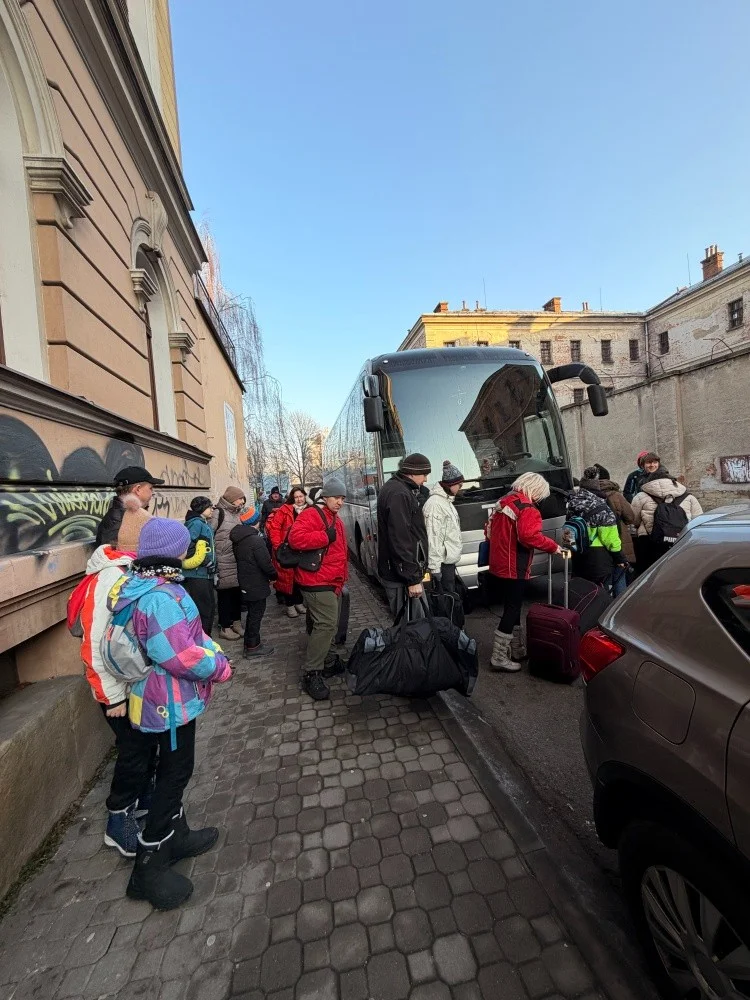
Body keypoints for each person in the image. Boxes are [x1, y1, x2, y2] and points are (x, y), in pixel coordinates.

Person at [107, 518, 232, 909]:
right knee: (174, 772)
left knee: (171, 770)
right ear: (173, 550)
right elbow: (180, 655)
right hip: (168, 702)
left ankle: (177, 836)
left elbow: (188, 637)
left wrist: (209, 648)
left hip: (159, 698)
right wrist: (219, 666)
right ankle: (148, 868)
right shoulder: (160, 596)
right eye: (183, 545)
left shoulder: (143, 582)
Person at [67, 543, 155, 858]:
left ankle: (142, 799)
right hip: (117, 691)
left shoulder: (127, 570)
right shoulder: (109, 578)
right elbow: (93, 646)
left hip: (131, 684)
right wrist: (113, 697)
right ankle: (118, 820)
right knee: (133, 750)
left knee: (144, 745)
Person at [487, 472, 563, 672]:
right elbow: (529, 536)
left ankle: (517, 649)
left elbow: (488, 531)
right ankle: (499, 657)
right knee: (512, 608)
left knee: (512, 605)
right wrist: (553, 546)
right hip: (514, 565)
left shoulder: (504, 501)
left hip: (499, 563)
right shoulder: (527, 508)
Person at [288, 478, 348, 701]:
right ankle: (312, 672)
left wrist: (341, 578)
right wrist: (324, 537)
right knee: (326, 623)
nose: (340, 502)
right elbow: (295, 539)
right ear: (325, 497)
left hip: (330, 579)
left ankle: (329, 661)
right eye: (336, 497)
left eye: (342, 498)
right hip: (316, 580)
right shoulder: (313, 514)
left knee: (323, 622)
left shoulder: (333, 517)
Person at [377, 453, 431, 620]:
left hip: (402, 573)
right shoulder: (399, 494)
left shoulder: (398, 489)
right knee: (412, 626)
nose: (426, 479)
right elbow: (400, 538)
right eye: (424, 475)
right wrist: (412, 579)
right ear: (412, 473)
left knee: (415, 624)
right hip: (401, 576)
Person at [632, 470, 703, 572]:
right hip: (681, 539)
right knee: (679, 571)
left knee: (649, 572)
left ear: (650, 481)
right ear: (672, 481)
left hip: (649, 541)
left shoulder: (641, 497)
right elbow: (698, 519)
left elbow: (634, 519)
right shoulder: (689, 497)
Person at [568, 471, 628, 588]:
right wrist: (620, 557)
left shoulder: (573, 503)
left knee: (583, 590)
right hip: (598, 557)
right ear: (597, 487)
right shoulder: (601, 506)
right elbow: (609, 537)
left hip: (578, 554)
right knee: (600, 591)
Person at [230, 511, 277, 657]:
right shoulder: (255, 540)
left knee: (252, 614)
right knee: (256, 615)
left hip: (245, 581)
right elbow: (265, 563)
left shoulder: (239, 538)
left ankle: (250, 643)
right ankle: (253, 647)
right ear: (257, 521)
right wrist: (274, 575)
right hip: (256, 582)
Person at [589, 469, 636, 596]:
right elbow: (630, 517)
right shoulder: (616, 495)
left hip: (598, 546)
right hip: (619, 539)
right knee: (620, 576)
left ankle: (604, 603)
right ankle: (620, 604)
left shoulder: (590, 496)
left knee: (604, 580)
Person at [265, 486, 309, 618]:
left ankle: (299, 602)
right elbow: (274, 528)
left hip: (302, 550)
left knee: (300, 579)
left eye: (301, 496)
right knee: (288, 579)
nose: (299, 499)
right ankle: (290, 605)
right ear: (292, 498)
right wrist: (278, 546)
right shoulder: (285, 510)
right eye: (296, 497)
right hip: (286, 550)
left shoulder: (308, 510)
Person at [211, 486, 246, 642]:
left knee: (237, 593)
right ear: (232, 499)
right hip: (223, 560)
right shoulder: (218, 513)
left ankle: (236, 623)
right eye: (240, 498)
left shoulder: (236, 513)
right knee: (225, 595)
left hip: (236, 559)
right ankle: (225, 627)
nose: (242, 501)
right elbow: (209, 534)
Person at [96, 466, 164, 547]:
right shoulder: (119, 522)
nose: (152, 493)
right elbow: (116, 554)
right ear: (138, 489)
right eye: (151, 488)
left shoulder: (125, 517)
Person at [423, 460, 464, 593]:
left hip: (447, 562)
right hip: (442, 565)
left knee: (451, 597)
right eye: (459, 484)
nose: (461, 487)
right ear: (451, 484)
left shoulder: (446, 501)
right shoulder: (435, 504)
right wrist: (435, 568)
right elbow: (433, 537)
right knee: (446, 598)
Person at [182, 497, 217, 635]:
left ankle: (206, 638)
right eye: (209, 507)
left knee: (209, 608)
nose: (212, 509)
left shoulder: (202, 522)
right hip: (197, 574)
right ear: (202, 509)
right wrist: (205, 561)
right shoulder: (196, 524)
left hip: (205, 573)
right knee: (204, 610)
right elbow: (189, 547)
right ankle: (203, 640)